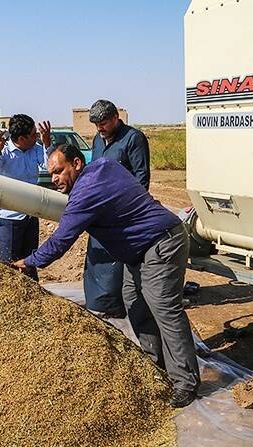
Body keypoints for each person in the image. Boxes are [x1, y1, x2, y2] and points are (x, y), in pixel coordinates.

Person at [13, 144, 200, 408]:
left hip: (161, 243)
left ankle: (185, 383)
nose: (54, 179)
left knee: (164, 309)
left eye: (59, 171)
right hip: (138, 249)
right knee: (133, 301)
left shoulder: (85, 194)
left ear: (77, 163)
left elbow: (60, 241)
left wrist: (27, 261)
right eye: (51, 173)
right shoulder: (104, 166)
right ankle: (155, 365)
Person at [84, 100, 152, 319]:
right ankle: (101, 303)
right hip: (101, 211)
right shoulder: (97, 140)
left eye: (103, 123)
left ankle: (120, 306)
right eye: (96, 125)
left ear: (115, 118)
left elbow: (142, 177)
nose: (100, 129)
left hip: (124, 212)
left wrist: (129, 209)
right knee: (99, 259)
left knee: (120, 265)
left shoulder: (133, 139)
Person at [0, 114, 52, 281]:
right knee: (10, 267)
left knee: (29, 263)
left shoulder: (35, 149)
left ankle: (34, 300)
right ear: (21, 138)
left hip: (30, 216)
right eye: (34, 134)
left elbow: (49, 165)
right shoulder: (4, 151)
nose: (37, 136)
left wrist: (47, 143)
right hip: (8, 220)